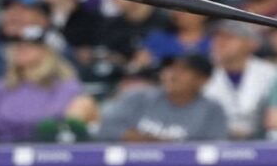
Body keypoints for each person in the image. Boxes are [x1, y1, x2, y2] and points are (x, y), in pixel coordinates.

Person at [0, 25, 98, 142]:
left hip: (49, 151)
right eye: (19, 44)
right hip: (3, 151)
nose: (22, 48)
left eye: (32, 45)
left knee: (84, 103)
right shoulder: (3, 87)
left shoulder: (66, 87)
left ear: (50, 52)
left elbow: (54, 123)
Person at [97, 52, 227, 141]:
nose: (173, 75)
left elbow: (215, 149)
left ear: (202, 80)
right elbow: (105, 129)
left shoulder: (212, 110)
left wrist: (160, 145)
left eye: (183, 70)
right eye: (170, 68)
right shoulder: (138, 97)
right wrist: (141, 140)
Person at [204, 20, 277, 139]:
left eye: (229, 37)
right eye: (216, 37)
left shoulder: (271, 73)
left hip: (260, 141)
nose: (220, 42)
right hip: (212, 141)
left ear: (252, 43)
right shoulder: (200, 73)